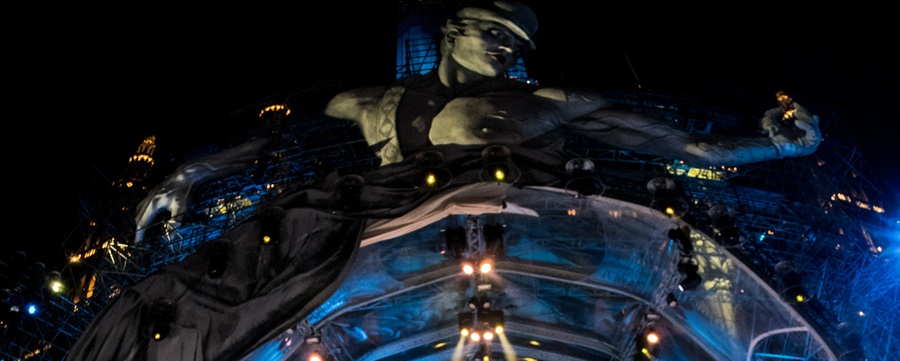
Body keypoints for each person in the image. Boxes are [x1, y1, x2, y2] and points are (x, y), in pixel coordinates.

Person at [325, 2, 819, 169]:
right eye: (495, 33)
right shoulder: (362, 102)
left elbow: (691, 147)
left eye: (516, 46)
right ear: (452, 31)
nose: (507, 50)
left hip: (514, 266)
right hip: (393, 266)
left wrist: (777, 148)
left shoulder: (550, 103)